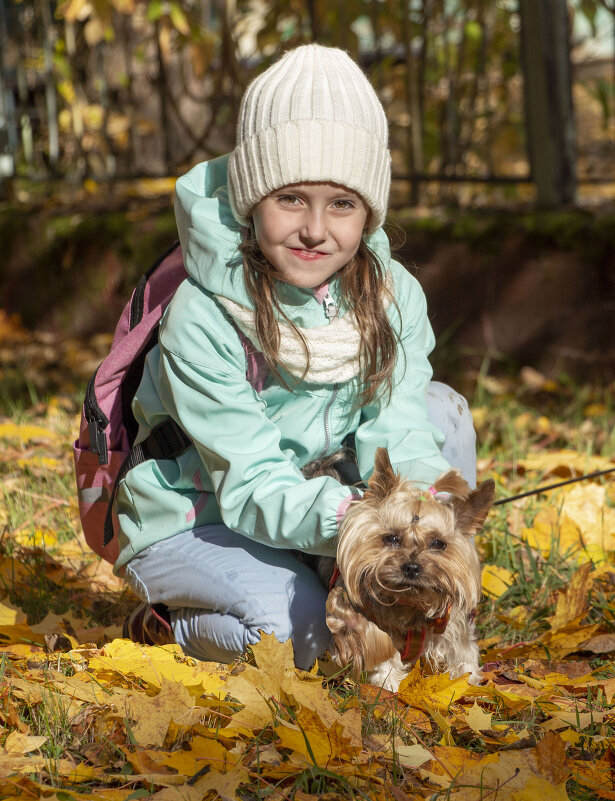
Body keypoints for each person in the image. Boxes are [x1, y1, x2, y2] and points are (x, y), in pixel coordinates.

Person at [117, 43, 477, 670]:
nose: (315, 229)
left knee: (442, 408)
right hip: (201, 513)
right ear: (253, 198)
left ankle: (416, 616)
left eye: (341, 203)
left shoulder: (394, 299)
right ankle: (170, 620)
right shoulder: (202, 316)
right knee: (306, 646)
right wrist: (356, 519)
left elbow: (396, 424)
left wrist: (418, 508)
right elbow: (250, 481)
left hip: (319, 500)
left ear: (368, 212)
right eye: (291, 200)